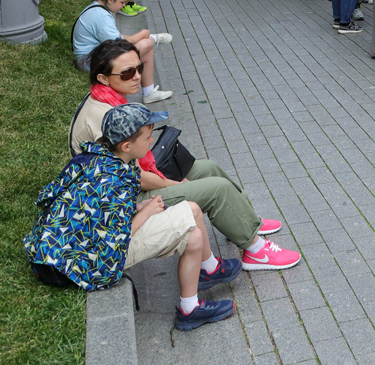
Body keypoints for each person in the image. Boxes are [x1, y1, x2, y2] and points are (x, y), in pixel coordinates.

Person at [69, 41, 301, 272]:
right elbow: (134, 178)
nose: (138, 77)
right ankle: (256, 250)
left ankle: (244, 220)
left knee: (208, 168)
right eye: (128, 72)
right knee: (217, 189)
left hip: (134, 177)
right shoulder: (105, 117)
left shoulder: (108, 98)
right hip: (128, 197)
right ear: (103, 78)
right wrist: (175, 183)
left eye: (139, 68)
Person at [25, 103, 239, 331]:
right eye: (147, 137)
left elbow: (97, 212)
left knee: (194, 223)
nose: (151, 141)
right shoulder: (114, 182)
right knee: (193, 222)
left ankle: (199, 288)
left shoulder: (99, 158)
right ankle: (195, 299)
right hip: (84, 261)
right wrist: (145, 212)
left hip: (60, 251)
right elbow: (116, 237)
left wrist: (135, 208)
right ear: (126, 145)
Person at [72, 0, 173, 105]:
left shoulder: (97, 8)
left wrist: (135, 38)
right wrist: (142, 35)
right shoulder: (101, 16)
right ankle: (155, 38)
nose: (124, 6)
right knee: (145, 44)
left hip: (91, 56)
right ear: (110, 0)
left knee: (147, 51)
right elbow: (122, 43)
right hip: (88, 61)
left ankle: (149, 92)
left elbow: (117, 37)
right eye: (122, 2)